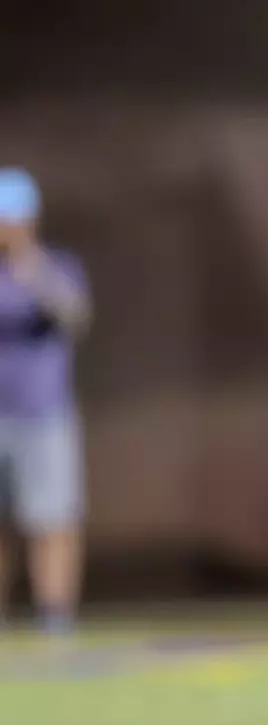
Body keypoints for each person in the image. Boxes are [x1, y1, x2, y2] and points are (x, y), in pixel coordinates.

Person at [0, 167, 91, 635]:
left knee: (53, 517)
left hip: (43, 413)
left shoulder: (54, 266)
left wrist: (30, 266)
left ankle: (55, 617)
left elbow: (75, 316)